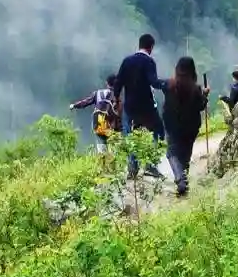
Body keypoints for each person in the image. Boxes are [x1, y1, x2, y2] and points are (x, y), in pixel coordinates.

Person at [113, 33, 166, 178]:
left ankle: (132, 168)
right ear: (151, 47)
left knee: (130, 135)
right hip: (146, 106)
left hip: (129, 106)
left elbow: (118, 83)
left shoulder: (127, 61)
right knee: (157, 131)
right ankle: (150, 165)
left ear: (139, 45)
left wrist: (116, 100)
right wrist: (168, 83)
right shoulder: (149, 61)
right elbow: (154, 82)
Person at [155, 56, 210, 197]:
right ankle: (184, 181)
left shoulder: (169, 85)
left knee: (172, 153)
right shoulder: (195, 89)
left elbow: (157, 83)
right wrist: (205, 95)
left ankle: (180, 180)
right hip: (191, 127)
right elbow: (201, 106)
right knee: (186, 154)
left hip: (173, 125)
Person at [69, 74, 122, 153]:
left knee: (102, 151)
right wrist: (120, 129)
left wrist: (74, 105)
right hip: (112, 128)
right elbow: (119, 114)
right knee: (114, 151)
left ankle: (102, 158)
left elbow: (86, 102)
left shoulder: (98, 93)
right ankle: (112, 158)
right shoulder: (117, 96)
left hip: (98, 126)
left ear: (107, 83)